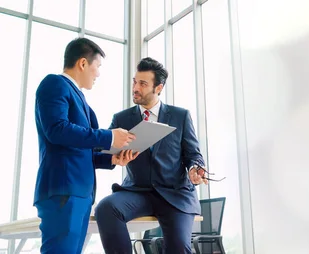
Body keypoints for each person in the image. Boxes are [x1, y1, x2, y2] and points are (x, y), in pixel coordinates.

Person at [33, 37, 139, 254]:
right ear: (83, 63)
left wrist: (111, 158)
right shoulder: (54, 84)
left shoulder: (82, 101)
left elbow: (81, 149)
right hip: (64, 189)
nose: (98, 73)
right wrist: (108, 137)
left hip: (79, 193)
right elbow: (57, 130)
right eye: (97, 66)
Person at [94, 57, 209, 254]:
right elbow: (101, 150)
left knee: (179, 248)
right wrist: (114, 156)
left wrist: (194, 169)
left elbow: (193, 154)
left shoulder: (180, 116)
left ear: (159, 87)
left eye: (143, 83)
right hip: (138, 192)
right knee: (106, 208)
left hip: (175, 194)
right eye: (134, 81)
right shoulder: (121, 119)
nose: (135, 88)